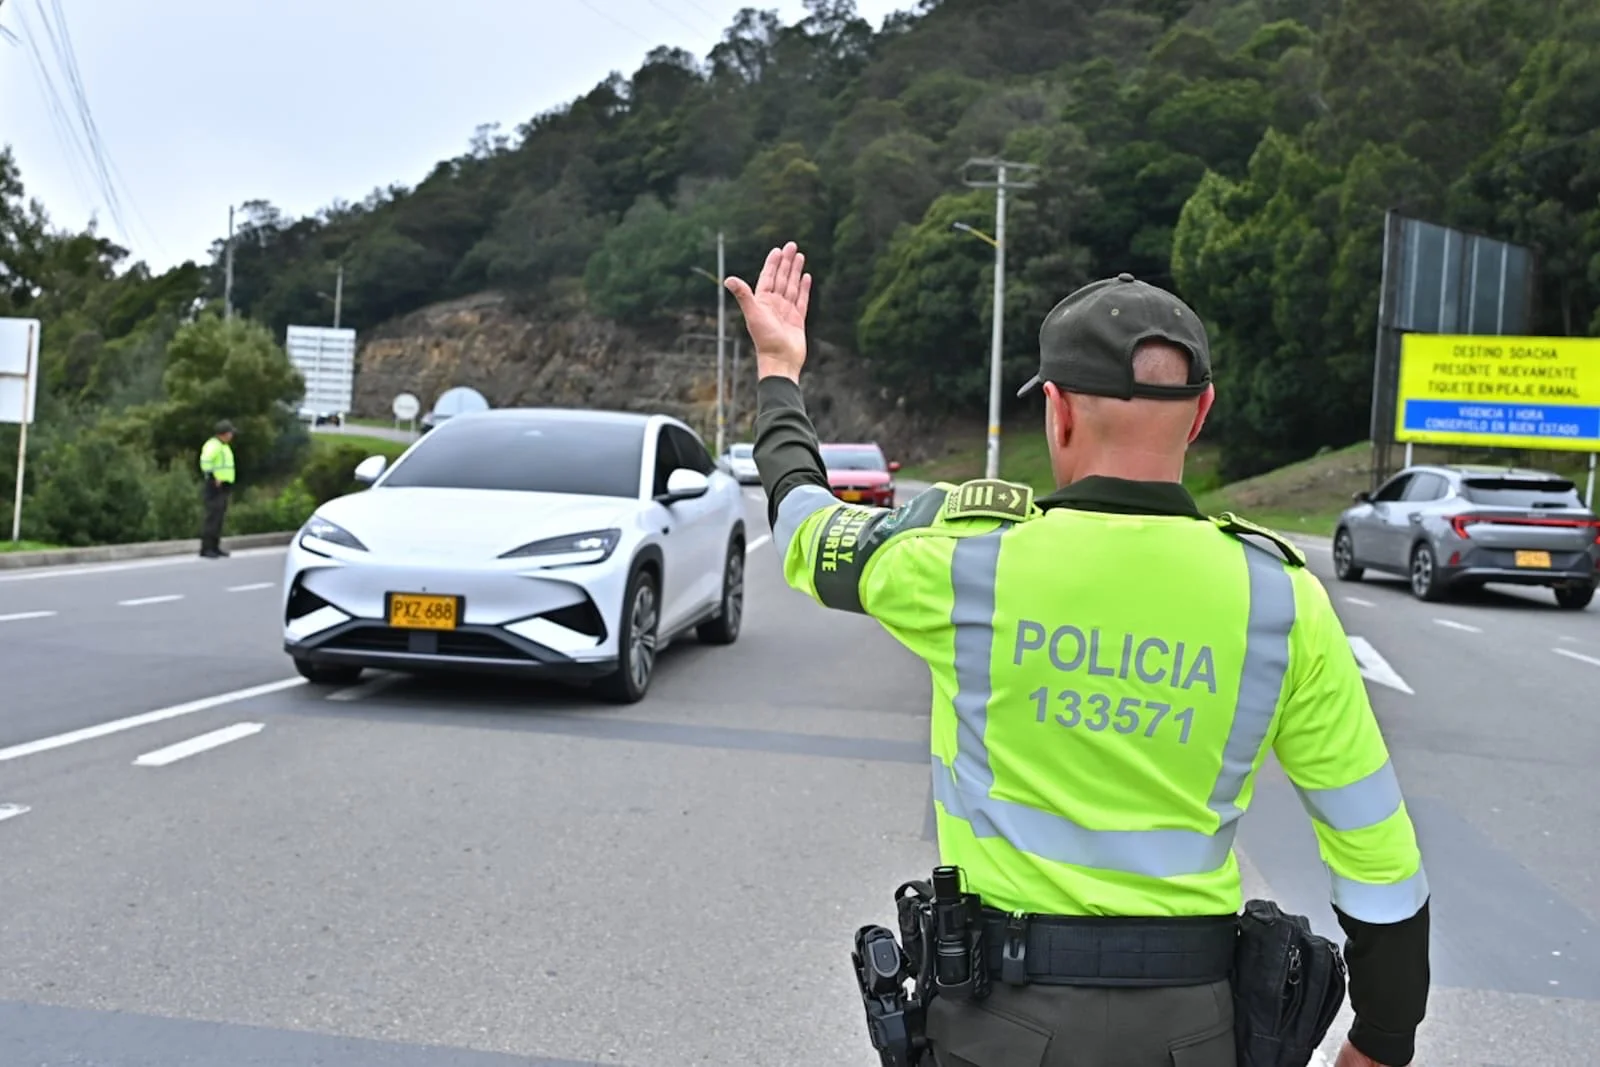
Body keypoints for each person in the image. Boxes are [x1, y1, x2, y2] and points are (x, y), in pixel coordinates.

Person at [726, 243, 1429, 1067]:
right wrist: (1382, 1040)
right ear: (1200, 414)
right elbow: (1376, 847)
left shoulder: (964, 561)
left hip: (997, 1027)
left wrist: (779, 371)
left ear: (1056, 410)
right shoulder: (1280, 598)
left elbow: (805, 526)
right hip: (1195, 1030)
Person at [198, 419, 237, 559]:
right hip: (215, 485)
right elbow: (205, 461)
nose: (232, 435)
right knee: (213, 516)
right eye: (230, 433)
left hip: (224, 485)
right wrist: (213, 476)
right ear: (224, 433)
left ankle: (215, 546)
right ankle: (207, 548)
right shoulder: (213, 445)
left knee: (219, 517)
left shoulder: (223, 446)